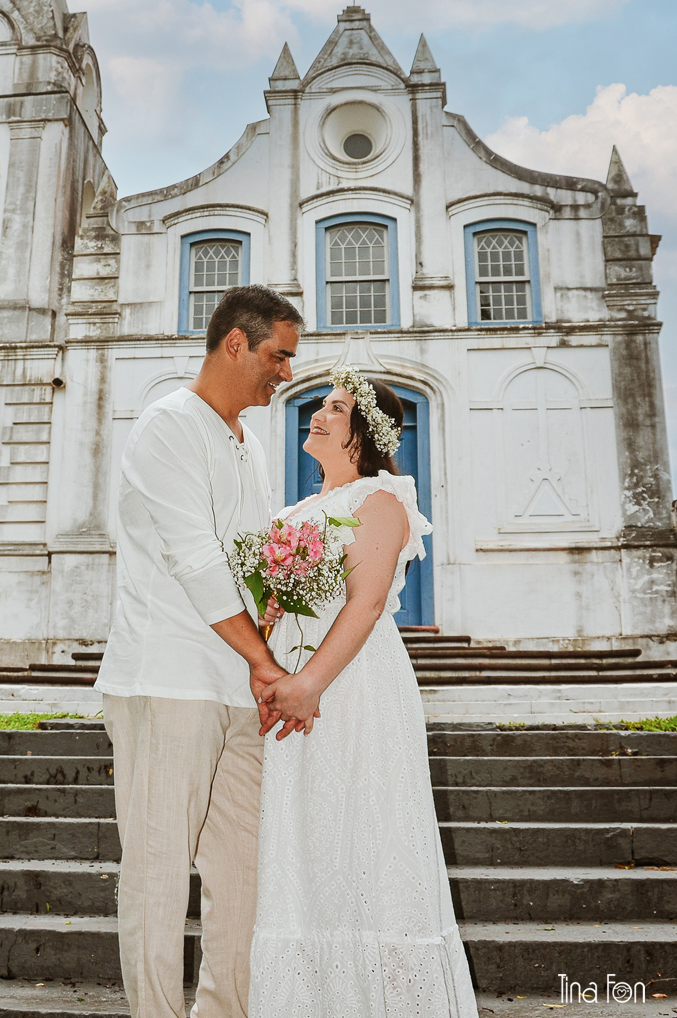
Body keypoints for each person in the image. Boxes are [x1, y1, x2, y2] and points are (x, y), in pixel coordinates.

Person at [95, 284, 306, 1018]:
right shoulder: (168, 425)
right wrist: (266, 660)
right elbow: (193, 559)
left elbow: (248, 562)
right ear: (235, 344)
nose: (287, 375)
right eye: (279, 357)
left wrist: (277, 604)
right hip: (167, 679)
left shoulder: (247, 445)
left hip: (236, 691)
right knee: (157, 876)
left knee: (242, 879)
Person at [249, 365, 479, 1018]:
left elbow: (368, 601)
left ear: (366, 432)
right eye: (320, 404)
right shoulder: (294, 513)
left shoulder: (379, 499)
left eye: (337, 407)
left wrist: (309, 683)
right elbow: (277, 609)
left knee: (369, 843)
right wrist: (269, 671)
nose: (318, 414)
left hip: (353, 689)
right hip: (295, 688)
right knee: (309, 846)